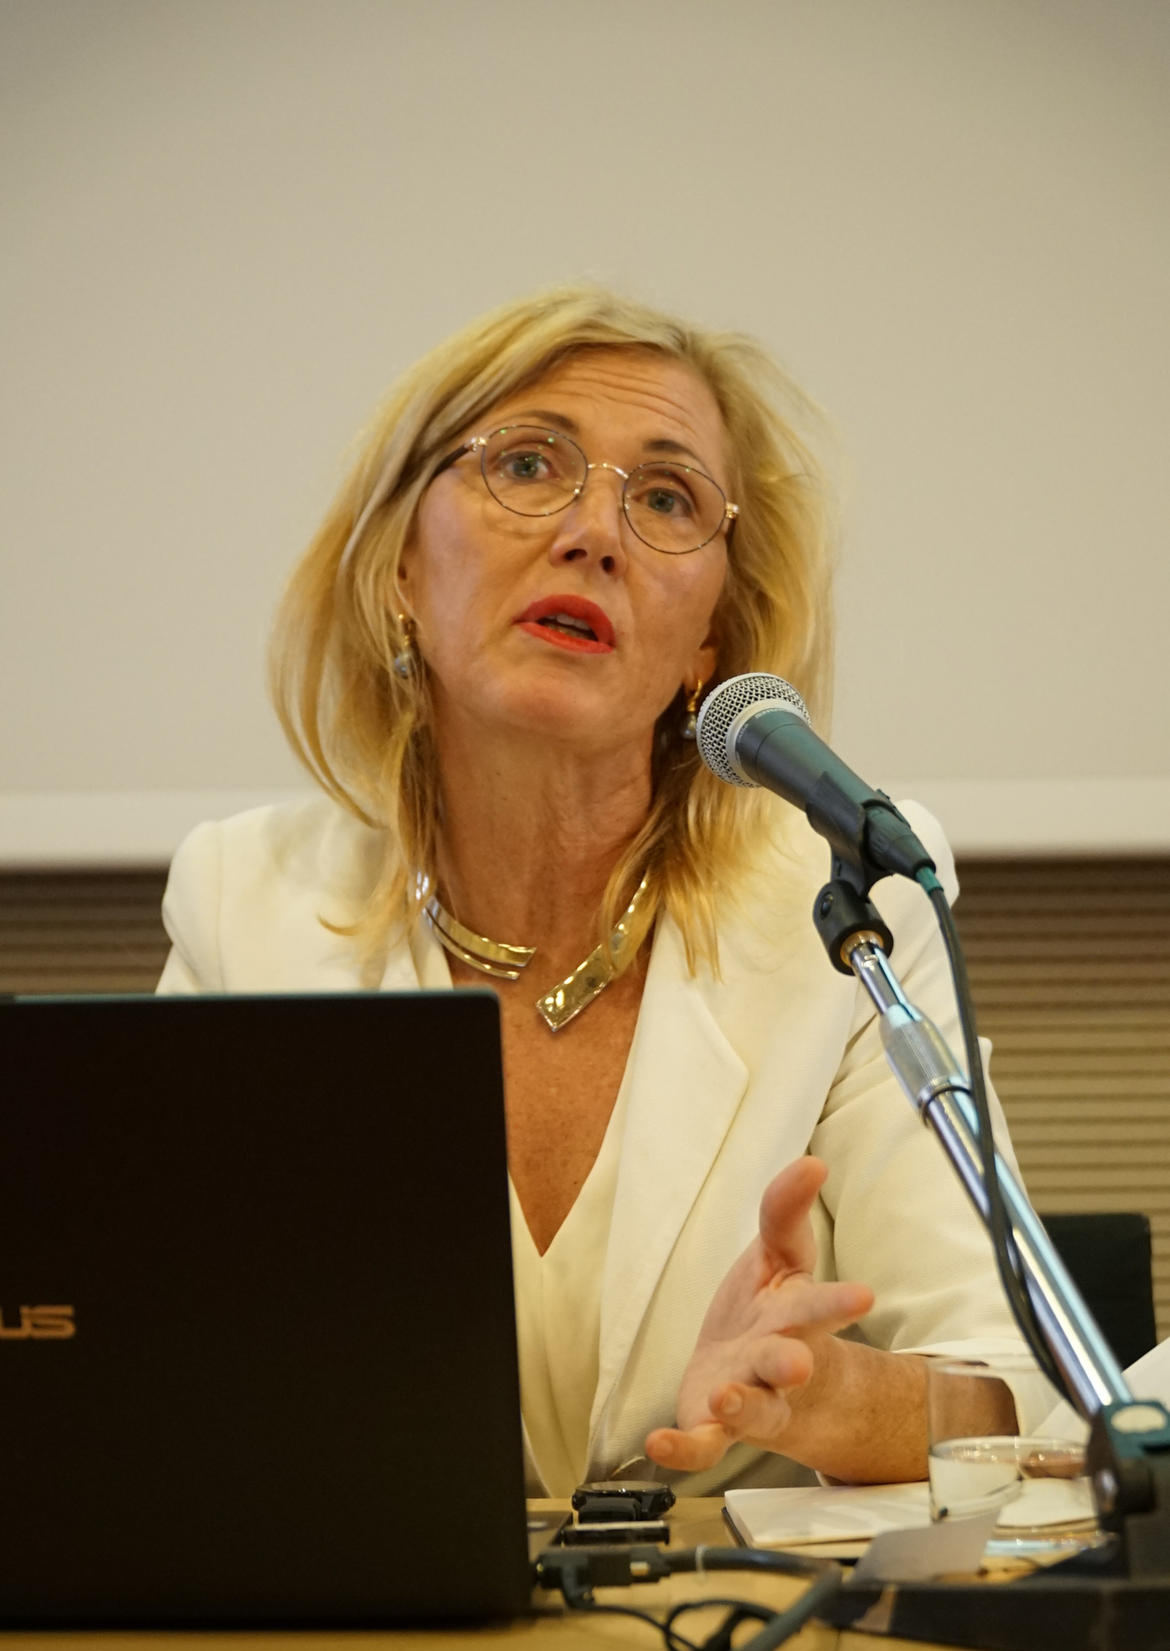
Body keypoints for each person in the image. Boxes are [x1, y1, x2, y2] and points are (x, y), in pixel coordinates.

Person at [158, 285, 1031, 1496]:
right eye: (528, 465)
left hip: (752, 1613)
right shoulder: (242, 906)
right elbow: (148, 1378)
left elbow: (1006, 1391)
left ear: (708, 645)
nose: (595, 534)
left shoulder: (846, 902)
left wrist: (833, 1401)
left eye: (666, 499)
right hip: (381, 1614)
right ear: (401, 564)